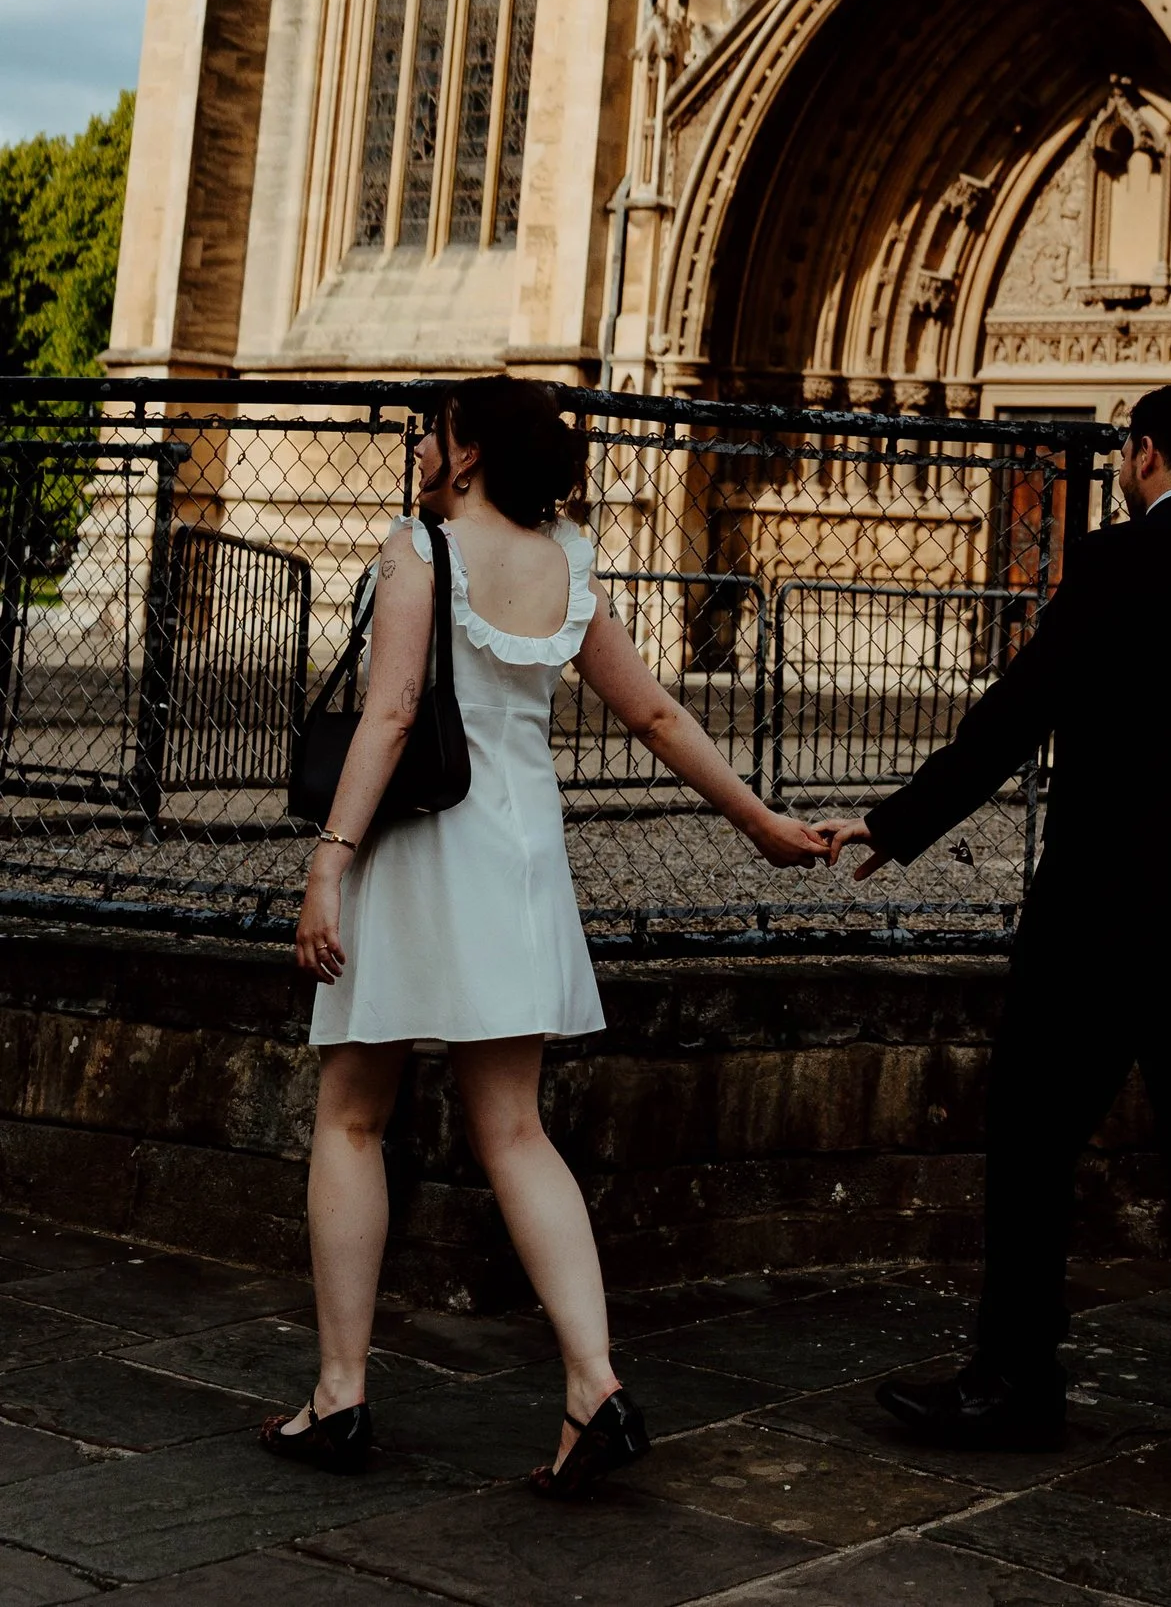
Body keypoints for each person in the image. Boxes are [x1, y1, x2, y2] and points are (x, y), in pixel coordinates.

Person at [267, 375, 847, 1496]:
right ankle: (594, 1383)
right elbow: (655, 713)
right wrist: (760, 820)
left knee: (351, 1115)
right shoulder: (571, 562)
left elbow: (389, 716)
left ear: (467, 452)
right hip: (522, 860)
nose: (424, 450)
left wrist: (327, 864)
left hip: (420, 851)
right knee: (517, 1130)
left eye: (434, 434)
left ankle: (340, 1395)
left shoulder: (416, 551)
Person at [846, 379, 1171, 1484]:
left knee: (1033, 1147)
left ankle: (1015, 1382)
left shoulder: (1110, 565)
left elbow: (1012, 717)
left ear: (1140, 455)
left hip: (1097, 920)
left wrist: (898, 824)